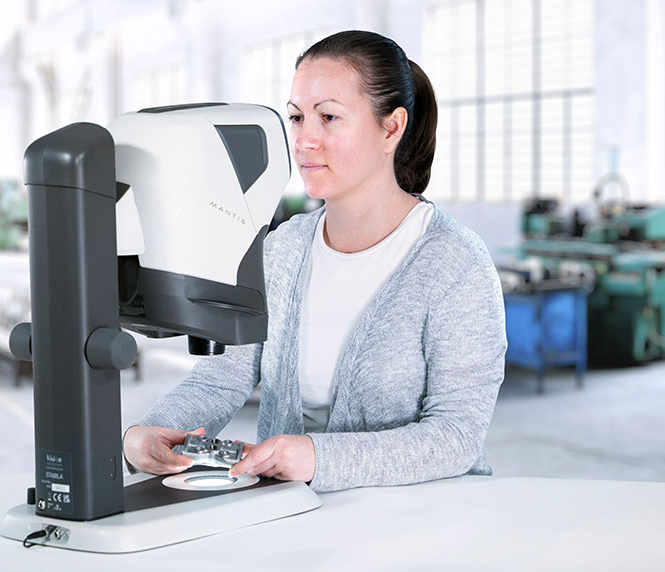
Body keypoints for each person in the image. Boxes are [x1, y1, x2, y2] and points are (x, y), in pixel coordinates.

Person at [123, 30, 506, 493]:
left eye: (328, 117)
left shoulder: (455, 264)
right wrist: (148, 433)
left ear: (392, 127)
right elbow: (221, 378)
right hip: (294, 516)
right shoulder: (283, 248)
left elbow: (456, 436)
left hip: (418, 526)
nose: (304, 141)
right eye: (297, 118)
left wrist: (315, 456)